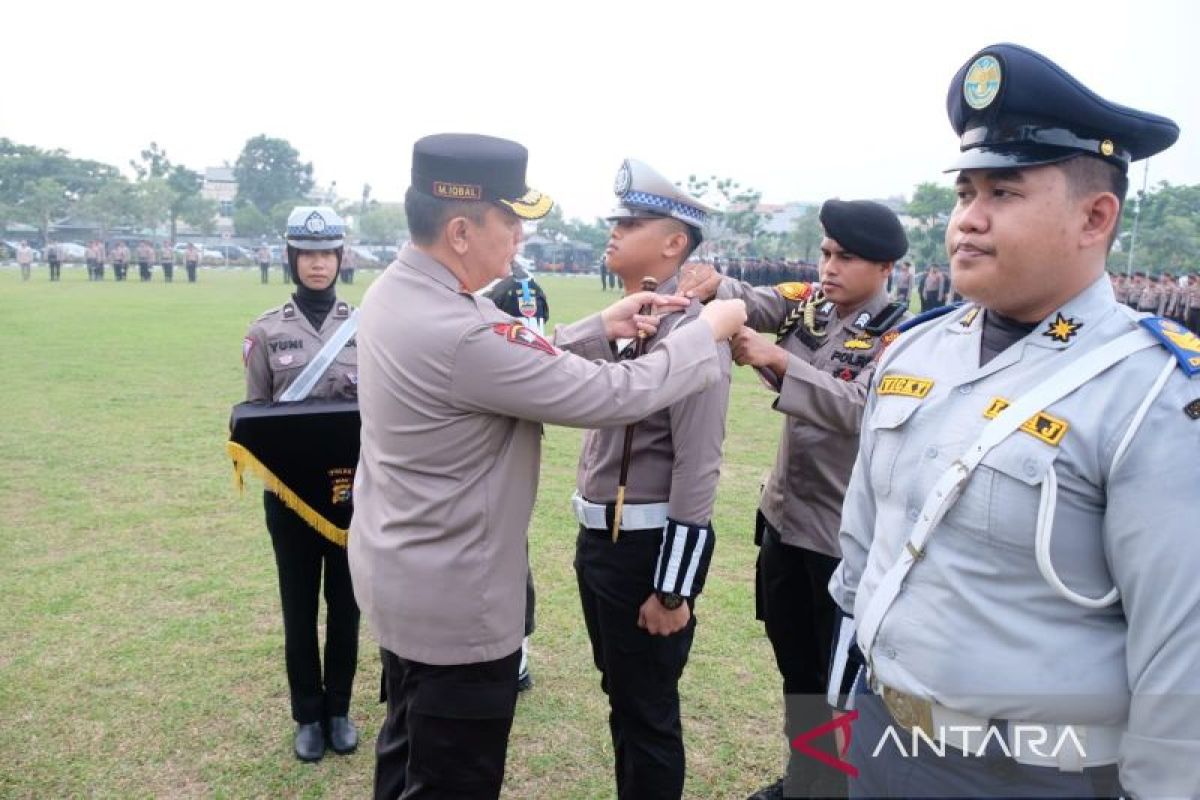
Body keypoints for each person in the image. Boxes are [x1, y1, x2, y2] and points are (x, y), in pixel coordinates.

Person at [827, 43, 1195, 797]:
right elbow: (865, 552)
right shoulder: (916, 352)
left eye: (1005, 193)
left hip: (1031, 774)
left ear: (1095, 216)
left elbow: (1181, 650)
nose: (968, 220)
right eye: (966, 193)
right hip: (880, 733)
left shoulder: (1152, 392)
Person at [348, 133, 746, 800]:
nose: (520, 239)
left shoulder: (400, 291)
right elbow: (610, 396)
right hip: (458, 609)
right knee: (450, 778)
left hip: (406, 581)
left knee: (408, 756)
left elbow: (500, 361)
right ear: (461, 230)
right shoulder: (462, 329)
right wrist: (708, 332)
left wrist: (598, 325)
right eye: (511, 221)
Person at [681, 199, 908, 799]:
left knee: (838, 687)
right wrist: (716, 284)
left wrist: (779, 358)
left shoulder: (900, 337)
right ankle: (807, 780)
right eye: (826, 253)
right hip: (785, 522)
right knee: (798, 673)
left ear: (884, 266)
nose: (829, 267)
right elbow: (755, 300)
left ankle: (833, 789)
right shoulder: (816, 306)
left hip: (839, 542)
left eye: (847, 257)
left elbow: (864, 409)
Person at [565, 159, 730, 800]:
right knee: (625, 701)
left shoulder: (697, 333)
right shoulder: (631, 319)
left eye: (631, 222)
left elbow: (698, 464)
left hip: (646, 555)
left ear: (673, 243)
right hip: (601, 544)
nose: (614, 232)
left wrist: (673, 589)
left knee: (648, 714)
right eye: (615, 220)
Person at [241, 206, 362, 763]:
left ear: (341, 258)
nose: (318, 264)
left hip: (351, 495)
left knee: (347, 605)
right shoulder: (266, 331)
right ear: (292, 259)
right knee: (298, 608)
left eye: (327, 253)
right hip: (290, 498)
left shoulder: (365, 326)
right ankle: (307, 714)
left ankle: (339, 708)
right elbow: (260, 417)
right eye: (307, 254)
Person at [478, 258, 553, 691]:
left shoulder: (512, 287)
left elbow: (531, 347)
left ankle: (515, 652)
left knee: (507, 546)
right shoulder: (513, 283)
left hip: (503, 425)